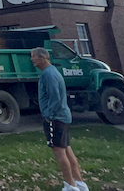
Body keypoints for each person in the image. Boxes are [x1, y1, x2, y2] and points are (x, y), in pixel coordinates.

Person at [30, 47, 88, 191]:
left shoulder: (48, 75)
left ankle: (70, 186)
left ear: (43, 58)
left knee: (59, 152)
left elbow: (54, 96)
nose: (32, 59)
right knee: (67, 150)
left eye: (34, 57)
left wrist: (49, 115)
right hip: (62, 116)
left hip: (56, 118)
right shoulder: (52, 72)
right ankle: (80, 184)